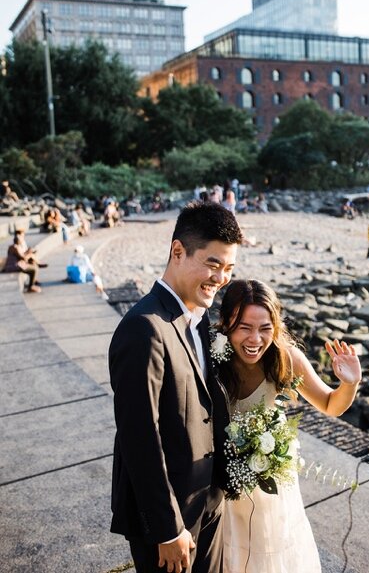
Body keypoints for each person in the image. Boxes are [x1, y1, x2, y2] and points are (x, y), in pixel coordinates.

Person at [108, 202, 243, 573]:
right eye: (213, 264)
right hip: (169, 522)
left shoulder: (198, 319)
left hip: (207, 501)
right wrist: (167, 531)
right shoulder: (144, 328)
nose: (221, 278)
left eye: (229, 268)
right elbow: (140, 437)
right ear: (178, 251)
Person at [215, 279, 361, 572]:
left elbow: (331, 404)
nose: (255, 339)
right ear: (226, 323)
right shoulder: (212, 355)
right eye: (244, 327)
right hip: (219, 484)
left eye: (265, 328)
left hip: (269, 488)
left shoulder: (285, 357)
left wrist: (350, 382)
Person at [3, 229, 45, 293]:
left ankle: (32, 282)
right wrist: (29, 253)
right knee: (34, 269)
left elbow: (21, 256)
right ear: (18, 241)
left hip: (15, 265)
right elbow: (23, 258)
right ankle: (31, 287)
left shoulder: (13, 247)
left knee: (33, 266)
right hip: (14, 266)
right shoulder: (15, 247)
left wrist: (28, 252)